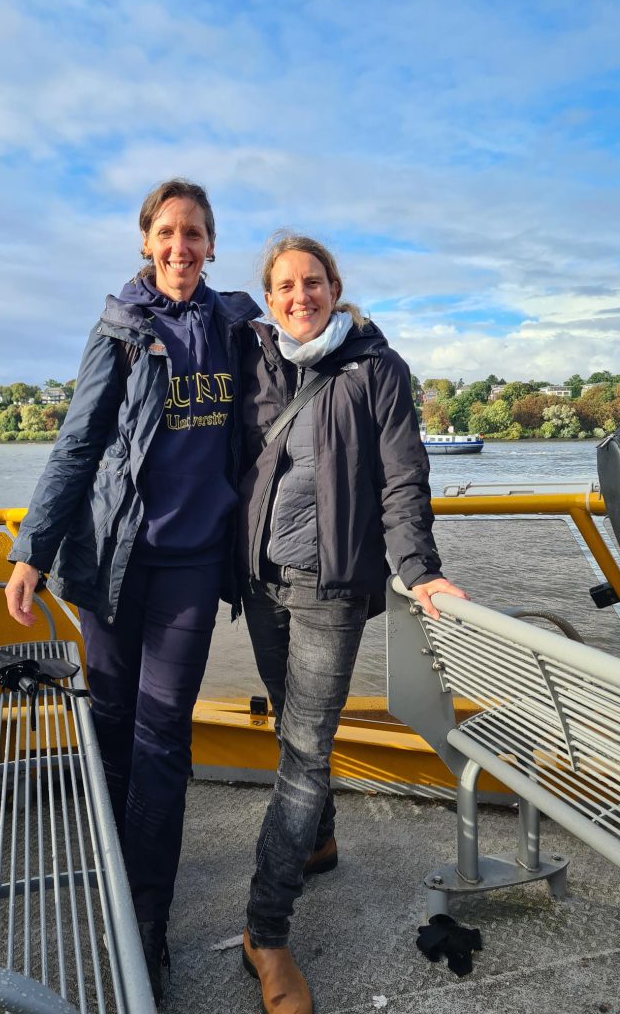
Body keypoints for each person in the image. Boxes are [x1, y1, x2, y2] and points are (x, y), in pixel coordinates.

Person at [4, 178, 261, 1007]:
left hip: (190, 566)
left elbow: (306, 358)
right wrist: (30, 552)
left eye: (195, 234)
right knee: (112, 729)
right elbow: (78, 444)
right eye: (167, 233)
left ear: (212, 245)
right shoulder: (119, 330)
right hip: (110, 564)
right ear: (146, 243)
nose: (181, 247)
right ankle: (113, 881)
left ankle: (147, 923)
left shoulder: (235, 326)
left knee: (161, 741)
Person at [237, 233, 466, 1014]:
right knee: (292, 732)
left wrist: (421, 568)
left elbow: (403, 479)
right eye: (285, 286)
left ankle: (264, 934)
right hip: (261, 584)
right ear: (269, 299)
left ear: (336, 286)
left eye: (313, 281)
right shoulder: (259, 363)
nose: (299, 296)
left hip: (332, 588)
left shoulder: (378, 370)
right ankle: (321, 842)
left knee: (305, 751)